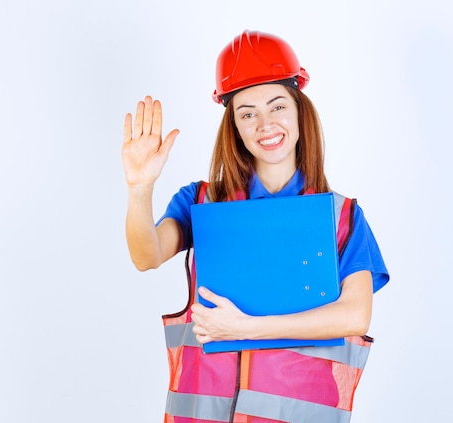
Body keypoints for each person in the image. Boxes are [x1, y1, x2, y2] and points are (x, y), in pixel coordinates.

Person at [122, 30, 389, 423]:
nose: (265, 124)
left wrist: (246, 327)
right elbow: (146, 256)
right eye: (247, 112)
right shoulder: (202, 202)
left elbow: (354, 315)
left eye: (277, 106)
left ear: (299, 110)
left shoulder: (341, 216)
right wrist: (140, 189)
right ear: (233, 124)